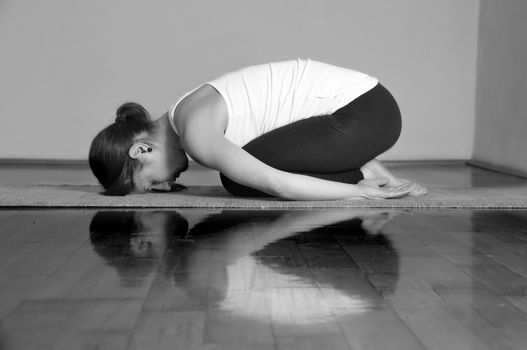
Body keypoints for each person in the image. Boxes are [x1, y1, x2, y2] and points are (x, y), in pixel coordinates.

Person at [89, 58, 426, 200]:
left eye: (149, 183)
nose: (164, 187)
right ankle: (363, 165)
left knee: (237, 178)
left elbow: (275, 183)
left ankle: (364, 172)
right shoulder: (185, 109)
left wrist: (359, 193)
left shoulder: (194, 131)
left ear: (142, 150)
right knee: (242, 166)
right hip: (371, 109)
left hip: (364, 114)